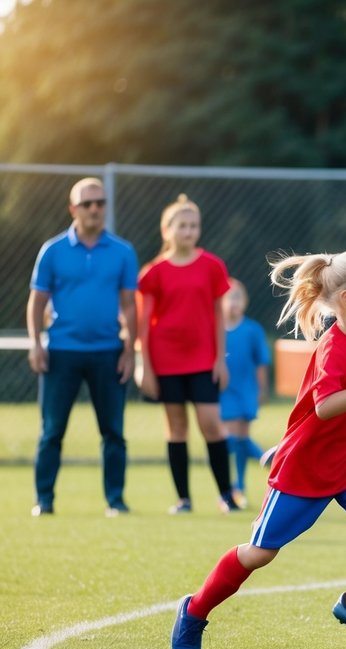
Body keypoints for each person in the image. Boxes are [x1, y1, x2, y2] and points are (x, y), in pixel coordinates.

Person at [171, 248, 346, 649]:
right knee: (259, 553)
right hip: (305, 468)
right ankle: (195, 610)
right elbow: (326, 406)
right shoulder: (334, 346)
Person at [27, 177, 139, 518]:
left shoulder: (123, 251)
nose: (95, 209)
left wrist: (129, 351)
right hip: (61, 351)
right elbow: (36, 303)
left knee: (113, 433)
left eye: (100, 203)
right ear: (73, 208)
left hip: (108, 352)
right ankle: (44, 500)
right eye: (87, 204)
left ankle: (115, 501)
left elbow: (130, 305)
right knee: (52, 431)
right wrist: (36, 344)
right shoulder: (53, 250)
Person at [138, 194, 239, 514]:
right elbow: (143, 324)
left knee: (211, 424)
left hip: (203, 360)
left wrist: (219, 359)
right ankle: (183, 499)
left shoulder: (212, 266)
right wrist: (146, 367)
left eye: (194, 225)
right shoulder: (154, 272)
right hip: (165, 361)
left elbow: (219, 315)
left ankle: (227, 496)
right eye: (182, 225)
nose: (188, 231)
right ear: (166, 230)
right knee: (177, 427)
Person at [219, 279, 271, 508]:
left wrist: (262, 389)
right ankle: (266, 463)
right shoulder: (216, 329)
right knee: (234, 439)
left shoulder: (252, 330)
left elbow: (261, 362)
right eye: (229, 298)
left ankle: (238, 486)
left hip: (245, 390)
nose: (233, 303)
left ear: (245, 302)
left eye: (238, 298)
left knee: (238, 437)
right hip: (223, 391)